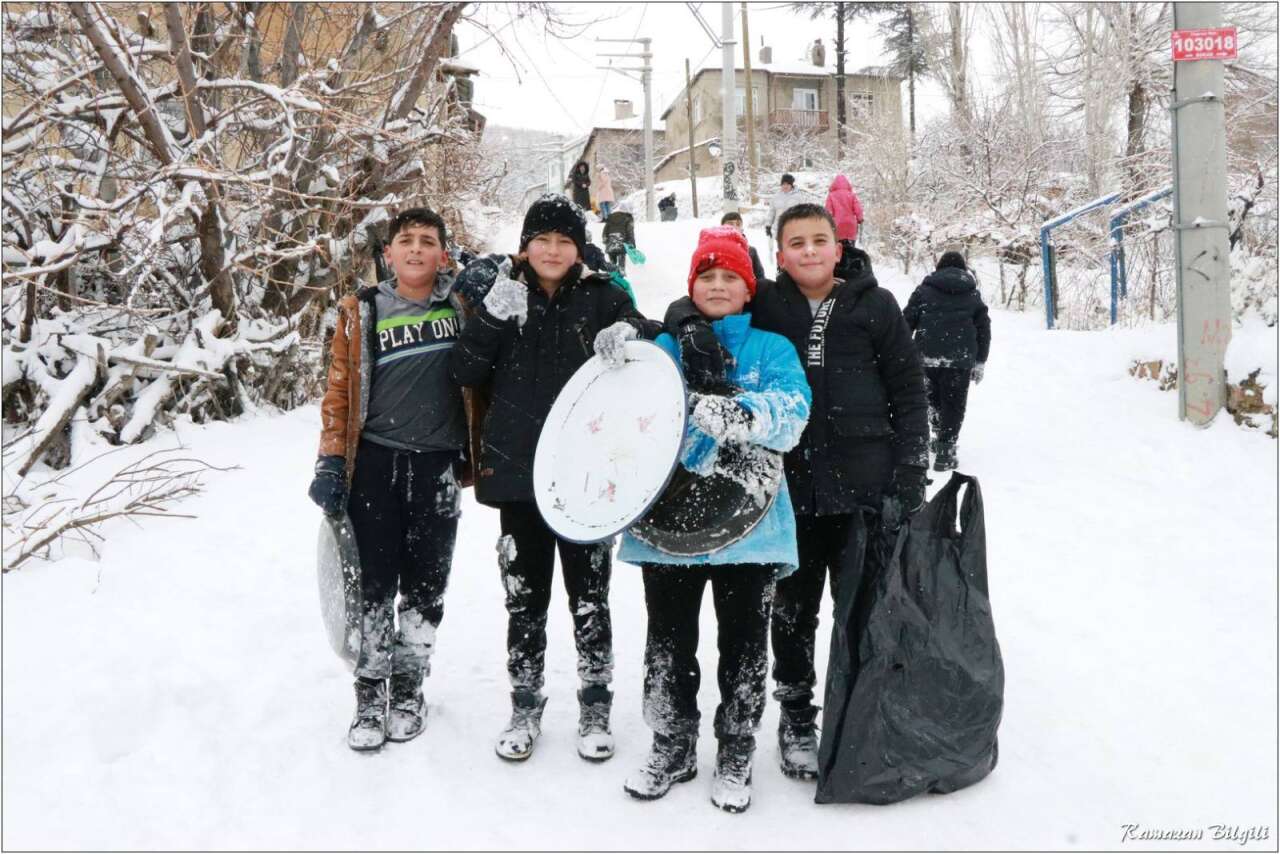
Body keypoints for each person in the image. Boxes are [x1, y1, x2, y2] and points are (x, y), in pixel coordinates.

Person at [664, 203, 928, 781]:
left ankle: (859, 713)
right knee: (793, 614)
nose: (808, 251)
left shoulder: (875, 304)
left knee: (861, 608)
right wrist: (682, 320)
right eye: (796, 243)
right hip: (792, 491)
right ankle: (796, 719)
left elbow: (909, 389)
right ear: (778, 255)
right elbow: (711, 297)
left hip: (865, 487)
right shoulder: (769, 303)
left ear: (839, 247)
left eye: (819, 240)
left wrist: (910, 472)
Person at [449, 194, 660, 763]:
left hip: (586, 475)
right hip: (517, 474)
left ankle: (595, 703)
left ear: (578, 248)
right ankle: (524, 703)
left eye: (563, 241)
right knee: (524, 599)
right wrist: (493, 316)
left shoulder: (601, 296)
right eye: (542, 240)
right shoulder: (499, 296)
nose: (552, 250)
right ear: (525, 246)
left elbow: (647, 334)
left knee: (590, 597)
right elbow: (464, 369)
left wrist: (632, 334)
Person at [618, 226, 811, 814]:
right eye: (709, 276)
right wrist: (620, 349)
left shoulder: (771, 349)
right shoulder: (665, 350)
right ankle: (671, 741)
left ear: (748, 289)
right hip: (667, 526)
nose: (720, 285)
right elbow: (627, 418)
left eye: (731, 277)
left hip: (751, 528)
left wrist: (741, 411)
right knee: (668, 643)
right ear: (692, 286)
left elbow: (793, 413)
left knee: (745, 644)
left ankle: (736, 747)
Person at [308, 208, 479, 752]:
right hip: (375, 466)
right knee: (374, 585)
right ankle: (369, 690)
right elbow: (338, 393)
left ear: (443, 254)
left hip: (438, 466)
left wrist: (489, 276)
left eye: (428, 242)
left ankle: (408, 687)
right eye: (405, 241)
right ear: (388, 254)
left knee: (427, 586)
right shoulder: (362, 310)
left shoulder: (462, 305)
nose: (415, 250)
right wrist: (331, 460)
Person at [903, 251, 991, 471]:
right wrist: (980, 361)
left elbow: (905, 322)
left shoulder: (924, 291)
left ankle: (936, 429)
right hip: (960, 359)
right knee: (954, 403)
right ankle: (946, 450)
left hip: (926, 356)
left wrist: (903, 355)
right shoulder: (972, 295)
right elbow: (984, 330)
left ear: (939, 267)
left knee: (930, 398)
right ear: (964, 270)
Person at [719, 211, 767, 285]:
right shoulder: (713, 251)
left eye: (738, 224)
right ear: (722, 228)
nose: (734, 227)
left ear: (742, 228)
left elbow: (761, 279)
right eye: (730, 224)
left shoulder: (751, 251)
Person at [766, 174, 805, 254]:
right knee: (781, 251)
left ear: (791, 185)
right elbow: (772, 212)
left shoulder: (798, 197)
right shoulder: (776, 197)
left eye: (787, 184)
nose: (785, 186)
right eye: (783, 184)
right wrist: (768, 225)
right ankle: (780, 266)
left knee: (793, 250)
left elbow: (803, 212)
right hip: (779, 229)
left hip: (794, 229)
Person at [824, 174, 864, 245]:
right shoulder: (851, 195)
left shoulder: (831, 196)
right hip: (850, 226)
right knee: (851, 250)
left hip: (837, 226)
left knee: (838, 250)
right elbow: (858, 209)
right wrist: (860, 219)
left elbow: (828, 212)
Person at [603, 207, 636, 274]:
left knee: (612, 266)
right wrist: (632, 245)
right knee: (621, 268)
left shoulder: (611, 217)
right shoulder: (628, 218)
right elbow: (630, 233)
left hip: (610, 243)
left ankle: (612, 278)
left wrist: (606, 241)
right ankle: (621, 275)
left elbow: (605, 231)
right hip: (621, 243)